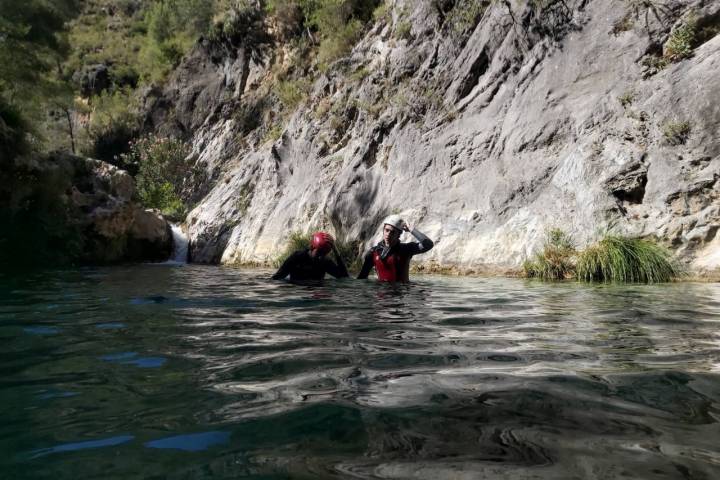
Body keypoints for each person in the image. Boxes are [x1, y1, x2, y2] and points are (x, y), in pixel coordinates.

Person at [357, 215, 434, 282]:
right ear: (383, 230)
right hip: (381, 295)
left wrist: (411, 229)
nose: (388, 234)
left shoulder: (406, 249)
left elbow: (428, 244)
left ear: (399, 234)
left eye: (392, 232)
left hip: (401, 295)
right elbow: (361, 279)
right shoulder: (373, 252)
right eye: (386, 230)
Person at [272, 231, 349, 281]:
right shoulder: (297, 257)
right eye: (319, 252)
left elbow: (344, 277)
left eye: (324, 253)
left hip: (318, 293)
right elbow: (277, 277)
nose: (320, 256)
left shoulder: (325, 261)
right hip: (297, 292)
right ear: (312, 247)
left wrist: (335, 250)